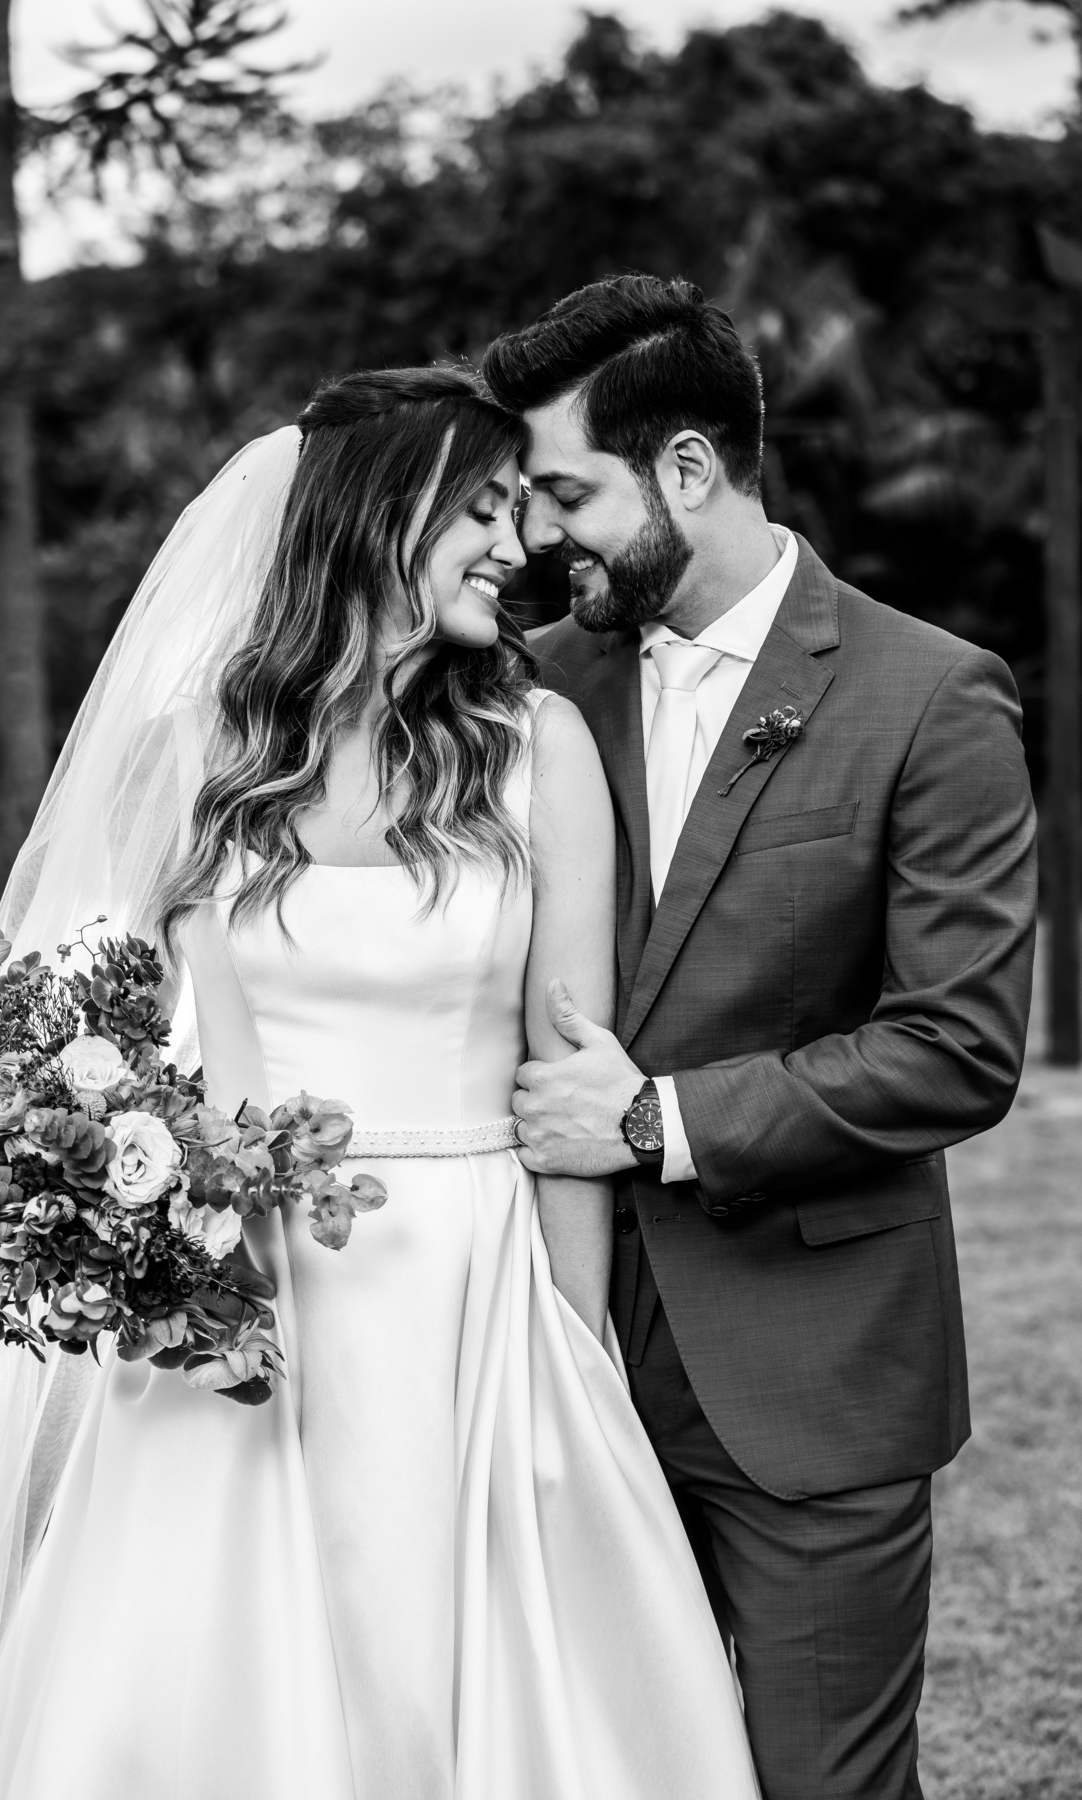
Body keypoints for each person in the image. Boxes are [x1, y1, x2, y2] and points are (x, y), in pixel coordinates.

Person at [0, 366, 759, 1800]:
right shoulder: (201, 755)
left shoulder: (534, 750)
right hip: (249, 1291)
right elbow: (123, 1042)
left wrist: (571, 1342)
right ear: (376, 515)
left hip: (471, 1285)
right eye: (480, 511)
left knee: (470, 1682)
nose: (517, 546)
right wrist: (161, 1251)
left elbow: (566, 1079)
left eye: (520, 511)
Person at [483, 275, 1038, 1800]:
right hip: (560, 1359)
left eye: (567, 495)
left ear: (686, 469)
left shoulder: (930, 698)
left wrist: (653, 1120)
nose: (537, 539)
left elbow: (956, 1047)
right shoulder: (535, 689)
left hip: (812, 1377)